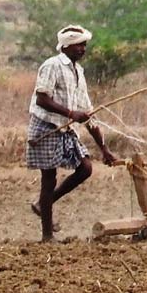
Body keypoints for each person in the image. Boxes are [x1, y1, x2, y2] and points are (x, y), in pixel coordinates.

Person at [25, 24, 116, 241]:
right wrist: (70, 113)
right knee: (49, 179)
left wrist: (104, 149)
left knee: (85, 168)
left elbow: (87, 113)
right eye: (79, 45)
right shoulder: (51, 66)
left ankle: (43, 204)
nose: (83, 49)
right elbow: (42, 99)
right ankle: (47, 236)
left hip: (65, 128)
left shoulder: (78, 72)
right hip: (46, 126)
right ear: (65, 46)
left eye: (84, 44)